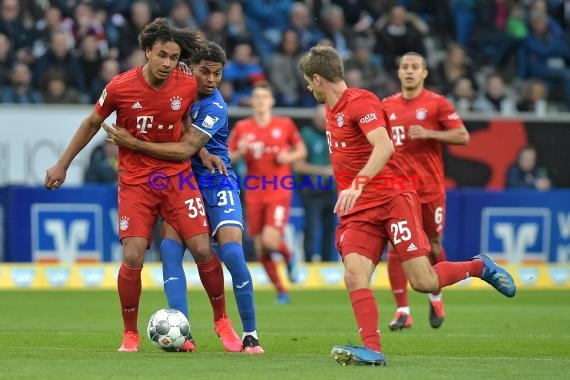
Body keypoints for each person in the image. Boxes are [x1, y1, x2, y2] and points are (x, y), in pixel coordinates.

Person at [298, 45, 516, 367]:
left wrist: (356, 184)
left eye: (308, 81)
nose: (307, 87)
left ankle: (479, 266)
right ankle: (373, 350)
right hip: (359, 211)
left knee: (424, 282)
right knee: (354, 276)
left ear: (318, 78)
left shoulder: (362, 102)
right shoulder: (332, 110)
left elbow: (384, 146)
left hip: (392, 199)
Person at [45, 18, 239, 353]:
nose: (168, 63)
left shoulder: (187, 83)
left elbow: (186, 122)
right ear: (147, 51)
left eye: (174, 57)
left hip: (178, 177)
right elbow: (93, 122)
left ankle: (222, 322)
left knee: (204, 249)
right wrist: (63, 163)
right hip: (136, 181)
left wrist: (202, 151)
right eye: (162, 55)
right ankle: (130, 334)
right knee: (133, 255)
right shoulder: (120, 87)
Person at [106, 41, 264, 354]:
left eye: (217, 74)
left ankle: (249, 333)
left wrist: (135, 143)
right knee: (170, 251)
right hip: (180, 181)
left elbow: (185, 146)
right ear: (190, 69)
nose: (211, 79)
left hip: (216, 182)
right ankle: (184, 332)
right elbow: (177, 125)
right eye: (205, 72)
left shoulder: (215, 105)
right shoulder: (176, 87)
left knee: (231, 253)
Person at [382, 52, 470, 331]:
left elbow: (462, 136)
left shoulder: (436, 103)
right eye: (405, 67)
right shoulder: (386, 106)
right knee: (397, 247)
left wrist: (431, 133)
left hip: (430, 190)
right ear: (398, 73)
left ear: (424, 73)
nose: (409, 71)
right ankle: (402, 311)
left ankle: (436, 296)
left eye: (415, 67)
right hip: (397, 191)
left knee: (432, 245)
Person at [228, 81, 307, 304]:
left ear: (271, 101)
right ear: (252, 101)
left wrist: (288, 157)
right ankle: (281, 290)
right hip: (254, 193)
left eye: (265, 96)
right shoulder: (243, 128)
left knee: (271, 241)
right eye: (257, 97)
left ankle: (289, 257)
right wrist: (240, 152)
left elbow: (301, 151)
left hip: (278, 190)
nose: (261, 100)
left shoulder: (285, 124)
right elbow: (227, 156)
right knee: (261, 247)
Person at [294, 104, 337, 262]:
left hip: (330, 190)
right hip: (311, 189)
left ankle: (328, 263)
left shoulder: (334, 135)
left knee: (330, 229)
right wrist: (324, 171)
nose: (323, 120)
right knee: (311, 228)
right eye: (320, 117)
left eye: (325, 117)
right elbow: (298, 166)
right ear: (314, 118)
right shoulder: (306, 135)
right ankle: (308, 262)